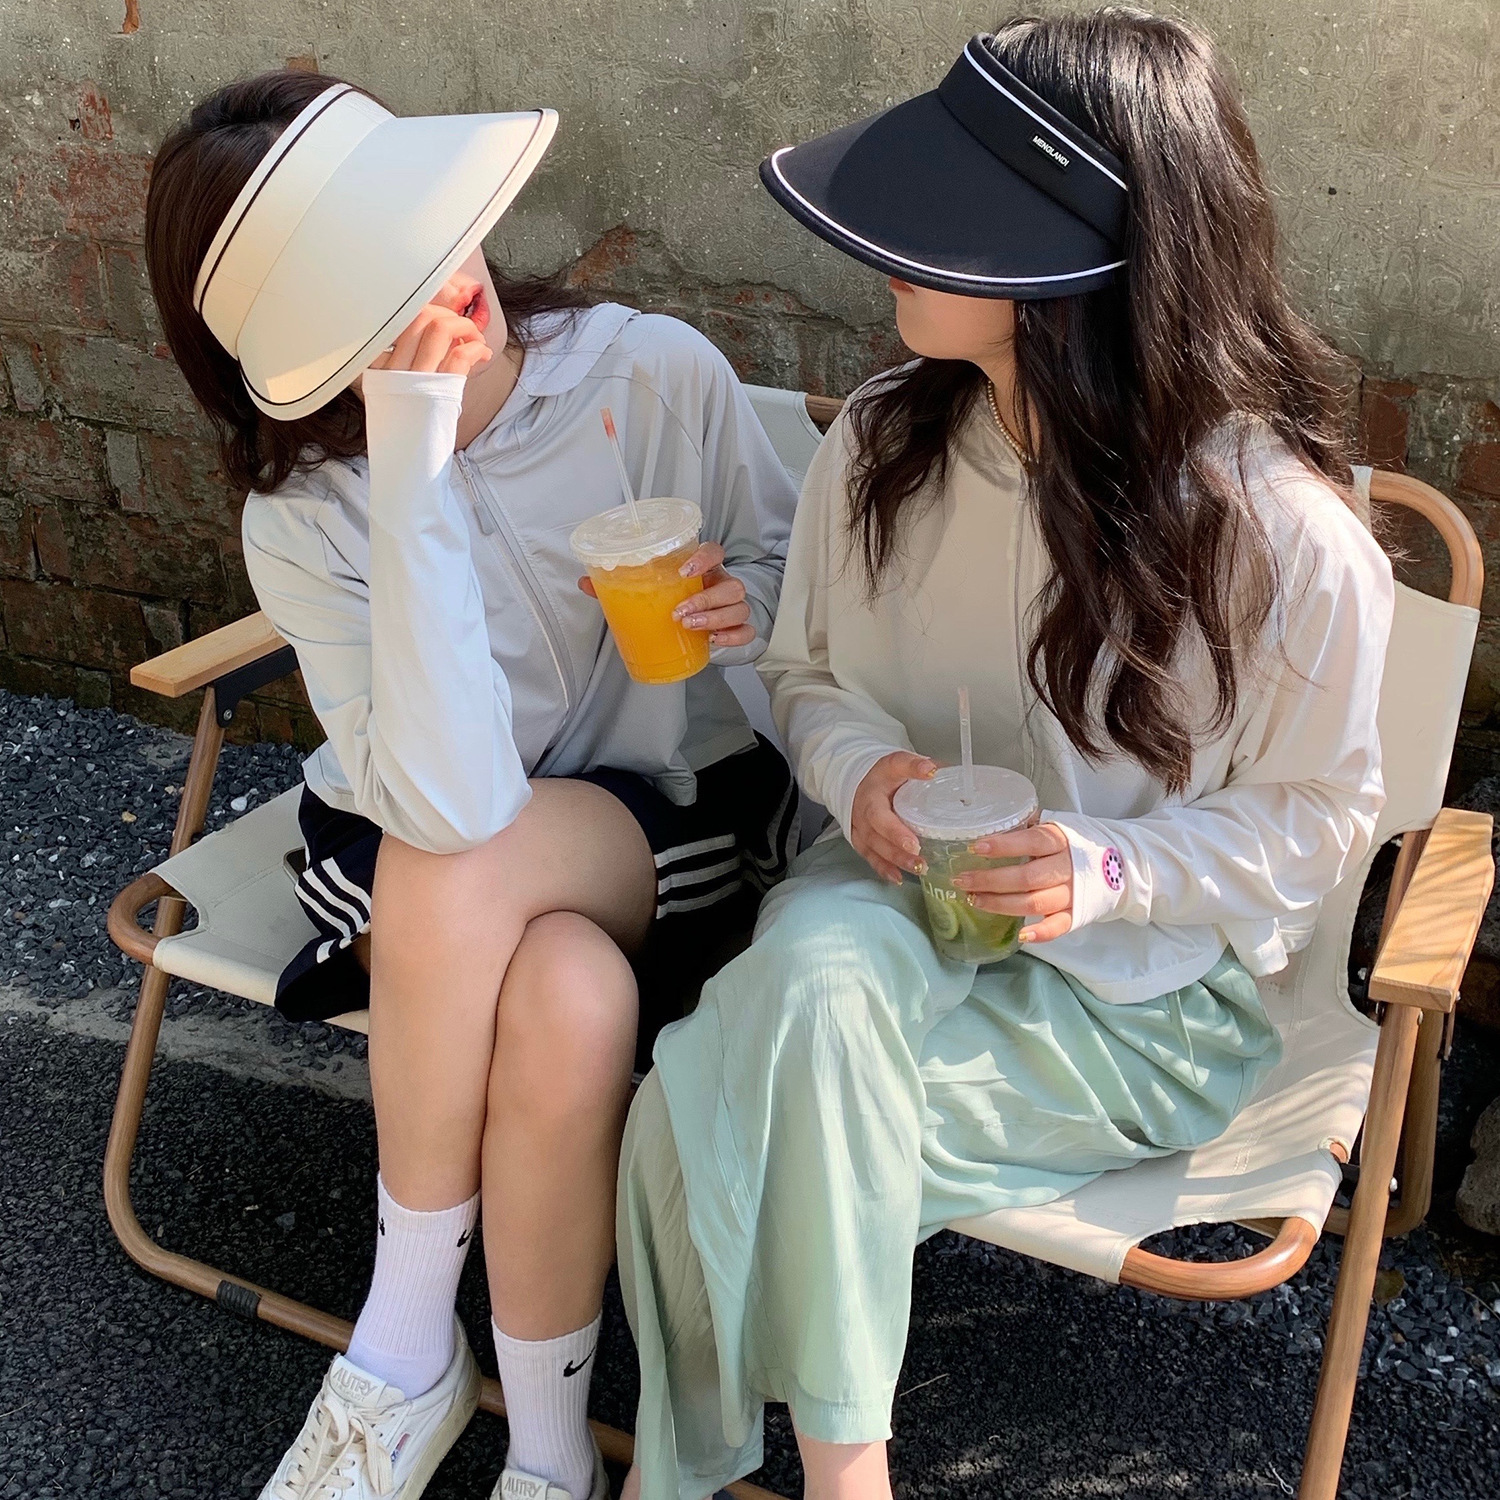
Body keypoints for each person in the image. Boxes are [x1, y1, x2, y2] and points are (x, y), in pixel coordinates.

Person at [617, 11, 1394, 1500]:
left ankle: (707, 1472)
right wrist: (863, 778)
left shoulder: (1278, 534)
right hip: (885, 905)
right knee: (818, 977)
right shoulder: (884, 445)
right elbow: (808, 674)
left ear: (1089, 263)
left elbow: (1323, 815)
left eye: (949, 218)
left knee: (690, 1113)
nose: (890, 248)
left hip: (1138, 1000)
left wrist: (1111, 868)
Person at [144, 70, 799, 1500]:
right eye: (375, 289)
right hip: (407, 837)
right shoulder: (304, 515)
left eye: (431, 231)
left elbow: (798, 570)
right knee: (565, 989)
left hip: (654, 823)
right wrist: (414, 472)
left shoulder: (650, 375)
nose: (446, 284)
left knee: (467, 873)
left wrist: (748, 605)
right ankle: (550, 1457)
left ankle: (400, 1343)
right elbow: (442, 798)